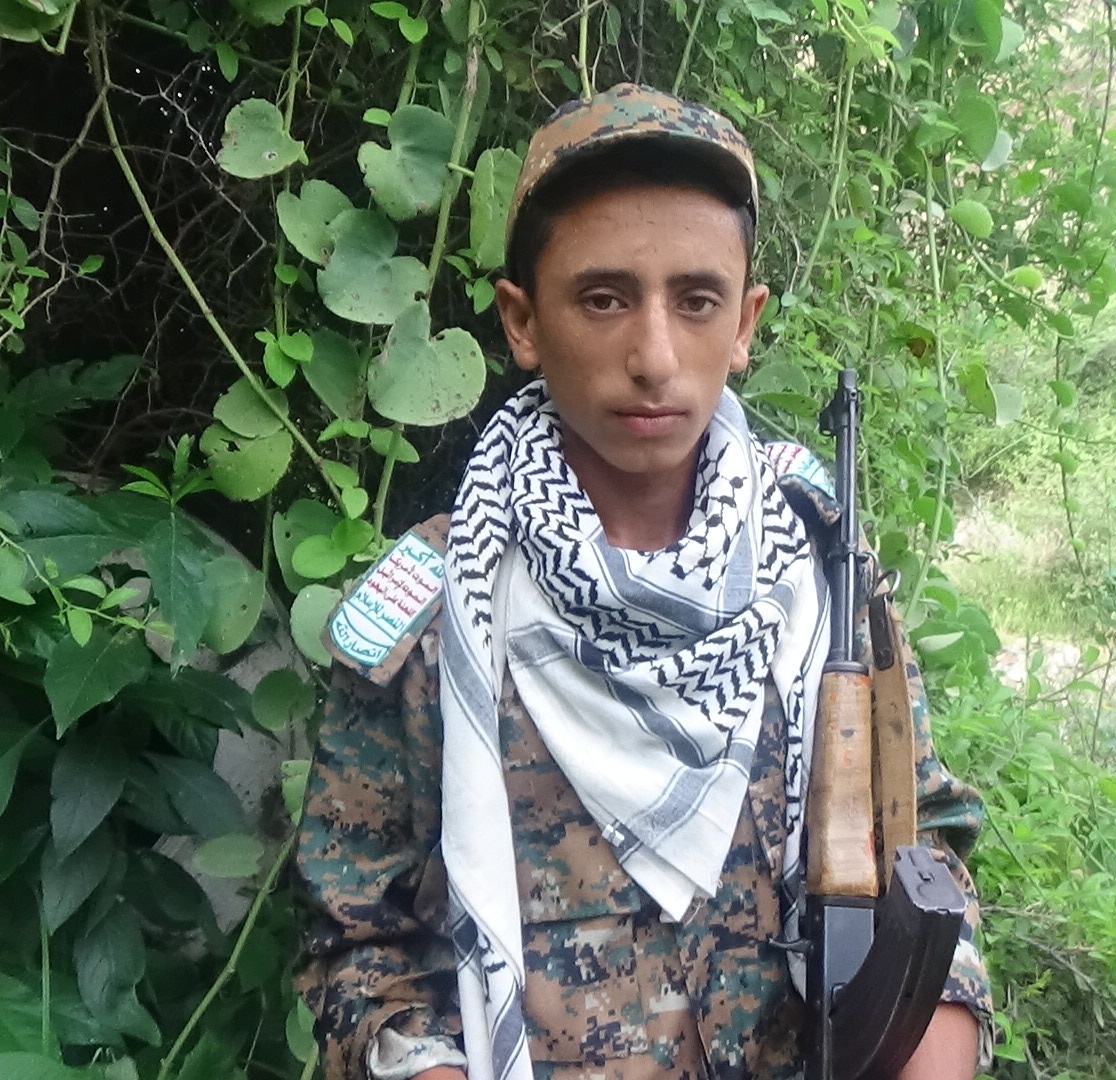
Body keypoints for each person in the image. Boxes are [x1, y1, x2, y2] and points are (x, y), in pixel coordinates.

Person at [294, 83, 994, 1080]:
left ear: (745, 323)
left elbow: (925, 859)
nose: (655, 356)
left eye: (697, 300)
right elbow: (360, 946)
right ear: (522, 321)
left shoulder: (824, 580)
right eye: (604, 298)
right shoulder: (440, 615)